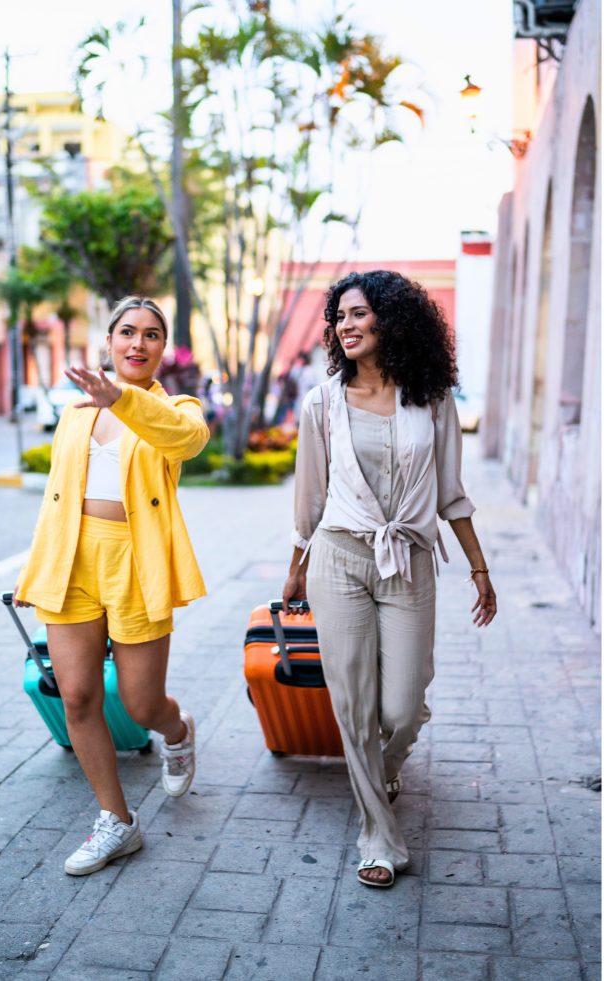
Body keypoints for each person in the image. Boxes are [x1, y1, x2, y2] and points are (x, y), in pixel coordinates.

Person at [282, 270, 497, 889]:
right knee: (352, 704)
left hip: (408, 558)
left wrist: (479, 568)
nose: (344, 326)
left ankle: (385, 764)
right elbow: (310, 499)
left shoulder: (431, 398)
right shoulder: (321, 401)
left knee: (403, 704)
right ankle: (378, 835)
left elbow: (453, 494)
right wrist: (294, 571)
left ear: (392, 320)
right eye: (339, 317)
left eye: (357, 314)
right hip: (338, 558)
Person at [14, 296, 209, 876]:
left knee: (141, 703)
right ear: (109, 341)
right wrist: (38, 572)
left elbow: (186, 440)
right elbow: (56, 500)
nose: (137, 343)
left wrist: (120, 399)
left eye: (152, 335)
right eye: (127, 332)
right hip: (73, 560)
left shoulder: (177, 408)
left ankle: (177, 730)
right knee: (76, 696)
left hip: (135, 561)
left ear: (161, 349)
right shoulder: (75, 412)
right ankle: (117, 822)